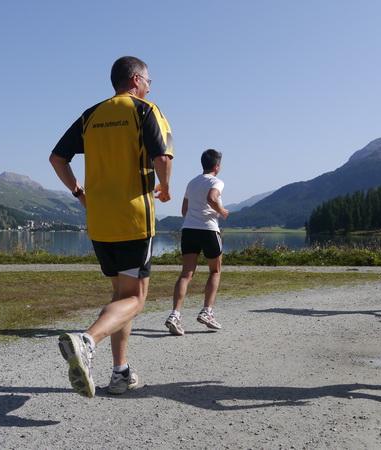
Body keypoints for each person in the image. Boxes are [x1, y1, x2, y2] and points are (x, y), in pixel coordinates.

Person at [49, 56, 173, 398]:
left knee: (121, 297)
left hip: (100, 221)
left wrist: (79, 193)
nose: (150, 88)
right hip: (133, 217)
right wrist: (165, 187)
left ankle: (120, 373)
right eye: (148, 81)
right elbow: (162, 157)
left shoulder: (91, 115)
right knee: (136, 298)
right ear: (135, 80)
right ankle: (87, 341)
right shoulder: (145, 110)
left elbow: (57, 158)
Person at [165, 149, 229, 336]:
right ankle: (207, 311)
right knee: (215, 271)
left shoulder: (192, 182)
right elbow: (211, 198)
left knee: (186, 274)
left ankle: (175, 314)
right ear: (217, 166)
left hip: (189, 230)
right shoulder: (217, 181)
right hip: (208, 230)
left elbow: (184, 211)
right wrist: (222, 210)